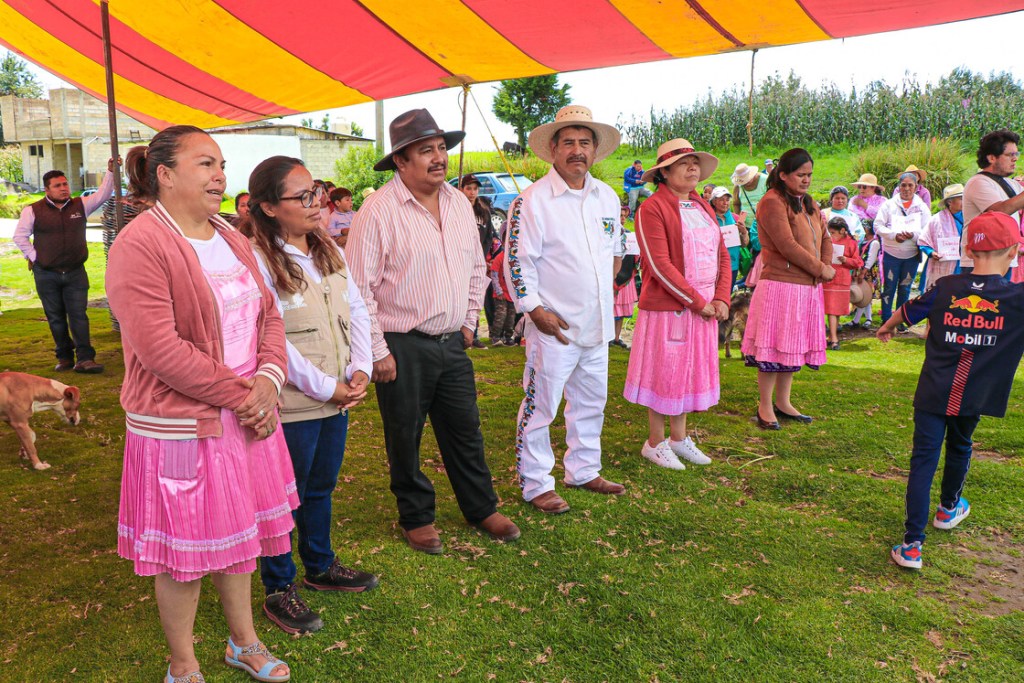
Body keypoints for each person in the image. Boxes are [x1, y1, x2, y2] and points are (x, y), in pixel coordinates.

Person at [106, 126, 296, 683]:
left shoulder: (231, 235)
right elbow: (161, 350)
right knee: (183, 553)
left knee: (239, 539)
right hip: (180, 425)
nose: (220, 176)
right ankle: (183, 664)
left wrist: (268, 378)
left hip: (246, 413)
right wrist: (246, 396)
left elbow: (269, 314)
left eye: (221, 164)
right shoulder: (140, 244)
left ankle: (244, 644)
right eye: (206, 164)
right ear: (165, 175)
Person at [347, 109, 519, 554]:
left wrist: (467, 322)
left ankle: (481, 507)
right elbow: (358, 288)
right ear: (401, 162)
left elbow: (475, 268)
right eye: (426, 150)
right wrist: (378, 350)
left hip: (451, 341)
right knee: (405, 434)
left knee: (466, 429)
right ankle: (416, 516)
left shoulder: (460, 203)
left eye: (442, 148)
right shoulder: (377, 211)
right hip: (401, 344)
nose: (439, 158)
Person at [246, 156, 379, 636]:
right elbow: (270, 335)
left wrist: (361, 367)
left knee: (320, 487)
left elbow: (358, 307)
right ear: (267, 206)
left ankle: (320, 565)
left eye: (316, 192)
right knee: (283, 497)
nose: (316, 203)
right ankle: (279, 586)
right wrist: (328, 387)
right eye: (302, 196)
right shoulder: (257, 257)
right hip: (294, 402)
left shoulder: (328, 247)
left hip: (338, 394)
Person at [882, 212, 1024, 570]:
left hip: (933, 391)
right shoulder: (1017, 299)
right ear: (1014, 251)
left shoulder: (946, 287)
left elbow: (908, 310)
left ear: (968, 250)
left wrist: (886, 326)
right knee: (960, 445)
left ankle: (912, 545)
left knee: (923, 460)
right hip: (976, 394)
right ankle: (948, 509)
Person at [505, 104, 627, 514]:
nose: (578, 150)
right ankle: (536, 482)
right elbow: (518, 263)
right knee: (541, 406)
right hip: (552, 327)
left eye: (585, 143)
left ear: (595, 150)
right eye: (570, 143)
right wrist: (535, 311)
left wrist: (603, 296)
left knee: (592, 402)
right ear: (553, 150)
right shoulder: (532, 201)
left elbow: (616, 248)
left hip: (597, 327)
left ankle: (583, 469)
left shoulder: (607, 197)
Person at [624, 138, 730, 469]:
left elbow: (721, 254)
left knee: (686, 372)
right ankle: (654, 442)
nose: (692, 167)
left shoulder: (702, 206)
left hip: (704, 306)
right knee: (664, 372)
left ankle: (679, 438)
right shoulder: (651, 208)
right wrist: (697, 301)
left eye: (695, 162)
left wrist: (722, 297)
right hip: (671, 306)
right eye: (684, 163)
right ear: (665, 172)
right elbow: (659, 264)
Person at [740, 148, 835, 430]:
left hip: (806, 287)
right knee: (772, 349)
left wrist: (825, 265)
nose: (806, 180)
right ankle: (765, 405)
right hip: (780, 285)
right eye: (800, 175)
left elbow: (826, 238)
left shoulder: (808, 203)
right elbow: (786, 246)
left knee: (791, 347)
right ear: (783, 175)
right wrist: (821, 269)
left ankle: (784, 402)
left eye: (809, 175)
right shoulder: (771, 202)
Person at [13, 160, 118, 374]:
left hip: (75, 272)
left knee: (78, 314)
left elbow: (103, 195)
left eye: (65, 184)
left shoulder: (80, 205)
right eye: (58, 186)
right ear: (47, 189)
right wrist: (36, 257)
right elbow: (20, 236)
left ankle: (86, 359)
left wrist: (110, 171)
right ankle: (64, 358)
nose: (63, 188)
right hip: (46, 274)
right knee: (55, 317)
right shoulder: (32, 210)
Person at [960, 130, 1024, 277]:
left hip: (1005, 260)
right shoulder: (978, 182)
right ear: (991, 158)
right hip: (981, 263)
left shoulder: (1011, 184)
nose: (1015, 159)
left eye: (1016, 154)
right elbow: (999, 212)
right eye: (1009, 155)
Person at [874, 172, 929, 325]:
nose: (906, 188)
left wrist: (913, 235)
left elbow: (927, 230)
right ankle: (886, 319)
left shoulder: (922, 207)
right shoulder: (888, 205)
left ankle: (900, 321)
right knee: (889, 288)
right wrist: (893, 235)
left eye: (910, 185)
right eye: (903, 185)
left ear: (916, 187)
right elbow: (877, 225)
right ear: (898, 187)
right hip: (891, 254)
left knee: (905, 288)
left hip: (911, 255)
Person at [460, 174, 495, 347]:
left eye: (475, 189)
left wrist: (483, 255)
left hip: (478, 261)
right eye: (468, 188)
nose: (472, 192)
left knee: (476, 297)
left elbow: (489, 236)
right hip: (461, 261)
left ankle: (474, 335)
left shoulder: (483, 212)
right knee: (461, 297)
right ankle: (462, 332)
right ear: (462, 189)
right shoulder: (456, 210)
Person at [823, 217, 863, 349]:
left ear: (842, 231)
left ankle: (831, 336)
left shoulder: (851, 243)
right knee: (831, 310)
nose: (831, 235)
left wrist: (846, 260)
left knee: (836, 310)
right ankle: (834, 338)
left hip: (842, 280)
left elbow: (858, 262)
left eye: (833, 232)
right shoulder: (827, 241)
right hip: (828, 278)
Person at [918, 184, 964, 291]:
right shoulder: (937, 220)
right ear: (949, 202)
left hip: (962, 265)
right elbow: (923, 241)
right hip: (941, 264)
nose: (964, 201)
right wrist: (931, 252)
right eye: (960, 199)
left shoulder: (969, 218)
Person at [612, 203, 639, 348]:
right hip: (612, 275)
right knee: (611, 307)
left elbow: (634, 253)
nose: (622, 219)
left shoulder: (629, 235)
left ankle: (617, 337)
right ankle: (609, 336)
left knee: (621, 309)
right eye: (619, 216)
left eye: (624, 216)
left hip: (626, 274)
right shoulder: (608, 234)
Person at [710, 186, 745, 291]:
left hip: (732, 266)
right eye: (721, 200)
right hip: (714, 266)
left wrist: (743, 232)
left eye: (727, 200)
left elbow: (744, 244)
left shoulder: (736, 218)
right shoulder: (707, 218)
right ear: (714, 202)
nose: (725, 203)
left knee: (727, 296)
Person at [850, 221, 880, 329]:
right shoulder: (863, 241)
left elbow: (871, 258)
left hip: (868, 272)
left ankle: (864, 319)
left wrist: (864, 271)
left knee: (865, 295)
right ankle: (862, 319)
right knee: (863, 295)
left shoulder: (874, 243)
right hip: (861, 270)